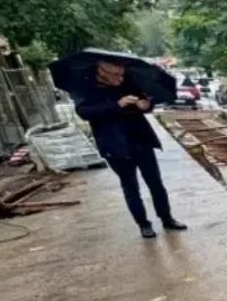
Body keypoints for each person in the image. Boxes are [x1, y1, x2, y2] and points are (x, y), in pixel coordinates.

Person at [73, 61, 186, 239]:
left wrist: (145, 105)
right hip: (114, 144)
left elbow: (146, 101)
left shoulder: (128, 82)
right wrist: (118, 105)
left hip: (140, 138)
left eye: (122, 74)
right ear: (102, 73)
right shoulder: (86, 87)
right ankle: (143, 224)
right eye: (116, 75)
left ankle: (167, 218)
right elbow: (84, 112)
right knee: (130, 186)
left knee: (155, 182)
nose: (121, 78)